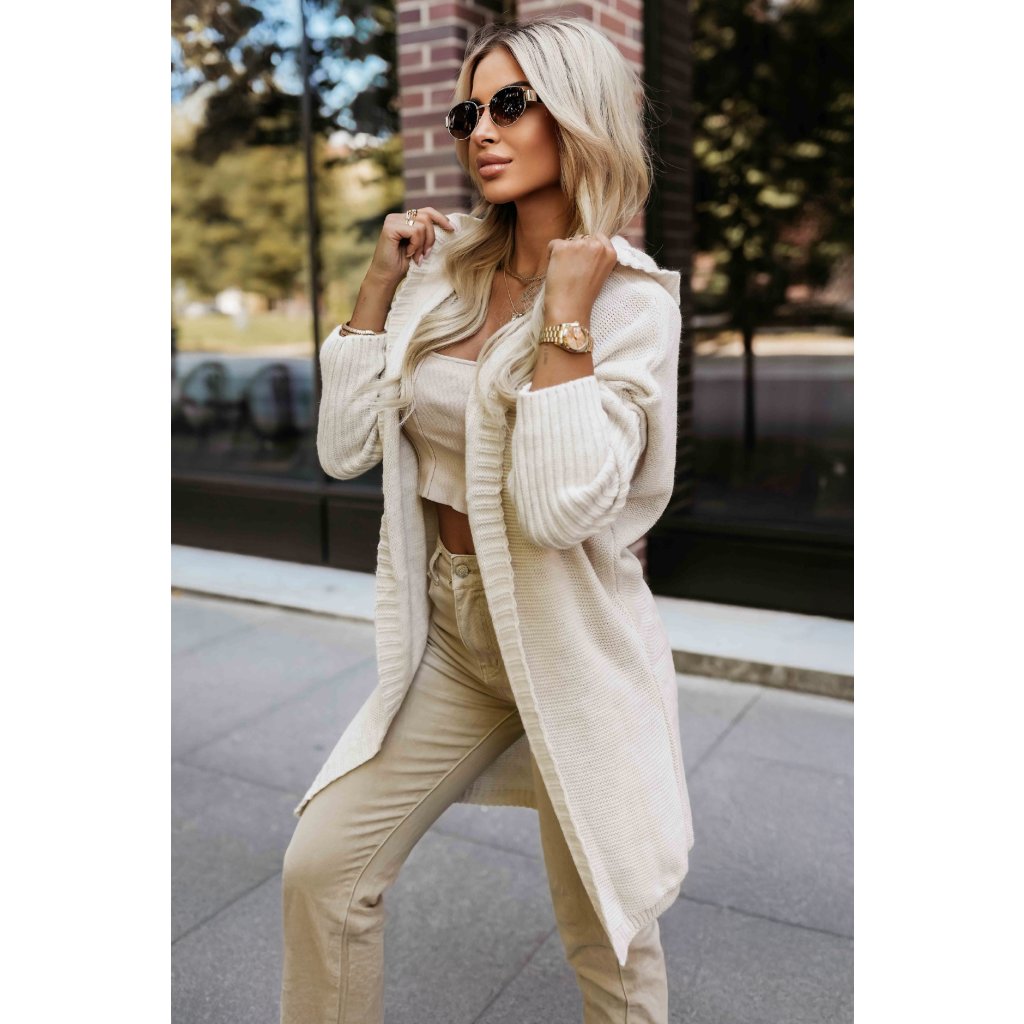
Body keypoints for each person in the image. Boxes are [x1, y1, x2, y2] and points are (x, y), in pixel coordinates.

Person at [280, 14, 694, 1024]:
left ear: (576, 115)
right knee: (322, 870)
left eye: (511, 104)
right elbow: (344, 448)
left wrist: (565, 315)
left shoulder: (631, 303)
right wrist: (378, 286)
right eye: (468, 112)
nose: (483, 131)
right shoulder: (444, 274)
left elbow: (559, 508)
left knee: (607, 933)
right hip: (458, 636)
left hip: (569, 641)